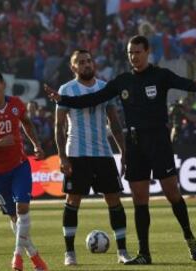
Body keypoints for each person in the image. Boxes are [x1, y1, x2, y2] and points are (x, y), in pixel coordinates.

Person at [45, 35, 196, 265]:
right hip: (135, 143)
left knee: (172, 193)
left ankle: (189, 236)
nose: (134, 56)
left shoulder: (160, 75)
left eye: (138, 52)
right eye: (131, 53)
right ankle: (144, 253)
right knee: (139, 199)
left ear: (147, 52)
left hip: (159, 141)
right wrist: (63, 99)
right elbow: (93, 99)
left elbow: (186, 84)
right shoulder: (122, 81)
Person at [55, 49, 131, 265]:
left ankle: (122, 251)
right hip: (77, 153)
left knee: (114, 199)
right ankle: (69, 253)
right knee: (73, 200)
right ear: (73, 67)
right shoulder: (66, 90)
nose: (86, 64)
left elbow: (114, 123)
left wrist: (123, 151)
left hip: (103, 153)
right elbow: (59, 126)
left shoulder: (104, 87)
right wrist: (62, 156)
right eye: (80, 62)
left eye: (88, 61)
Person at [0, 69, 48, 271]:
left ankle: (17, 257)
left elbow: (27, 123)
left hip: (20, 165)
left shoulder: (16, 104)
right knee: (14, 217)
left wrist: (36, 145)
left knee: (23, 208)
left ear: (3, 85)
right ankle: (35, 258)